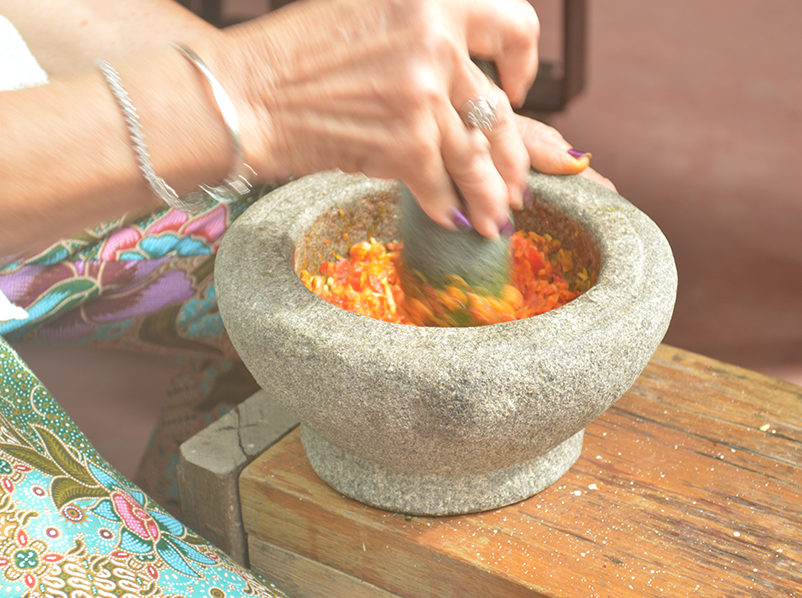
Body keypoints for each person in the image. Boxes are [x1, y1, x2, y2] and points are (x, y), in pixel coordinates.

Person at [0, 0, 614, 595]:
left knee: (270, 236)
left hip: (50, 112)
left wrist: (324, 89)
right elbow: (248, 95)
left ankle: (188, 511)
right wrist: (253, 93)